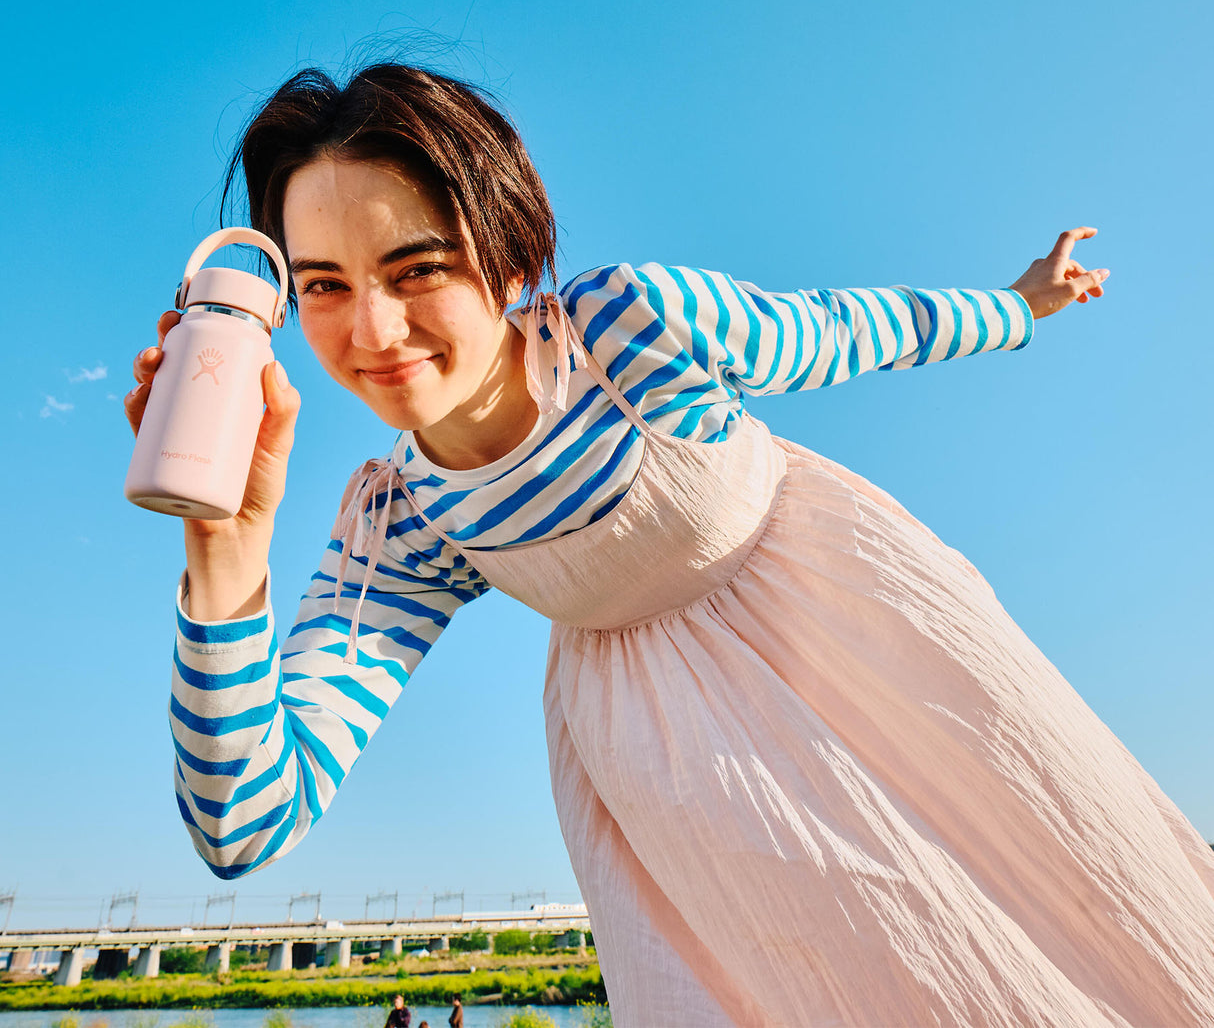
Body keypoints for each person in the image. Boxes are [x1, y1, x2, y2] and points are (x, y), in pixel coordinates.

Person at [128, 63, 1214, 1027]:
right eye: (322, 285)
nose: (371, 332)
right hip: (674, 777)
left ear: (507, 257)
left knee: (1063, 897)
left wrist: (1021, 303)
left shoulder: (631, 329)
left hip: (865, 645)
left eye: (417, 268)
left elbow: (860, 327)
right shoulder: (402, 521)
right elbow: (244, 818)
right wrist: (225, 548)